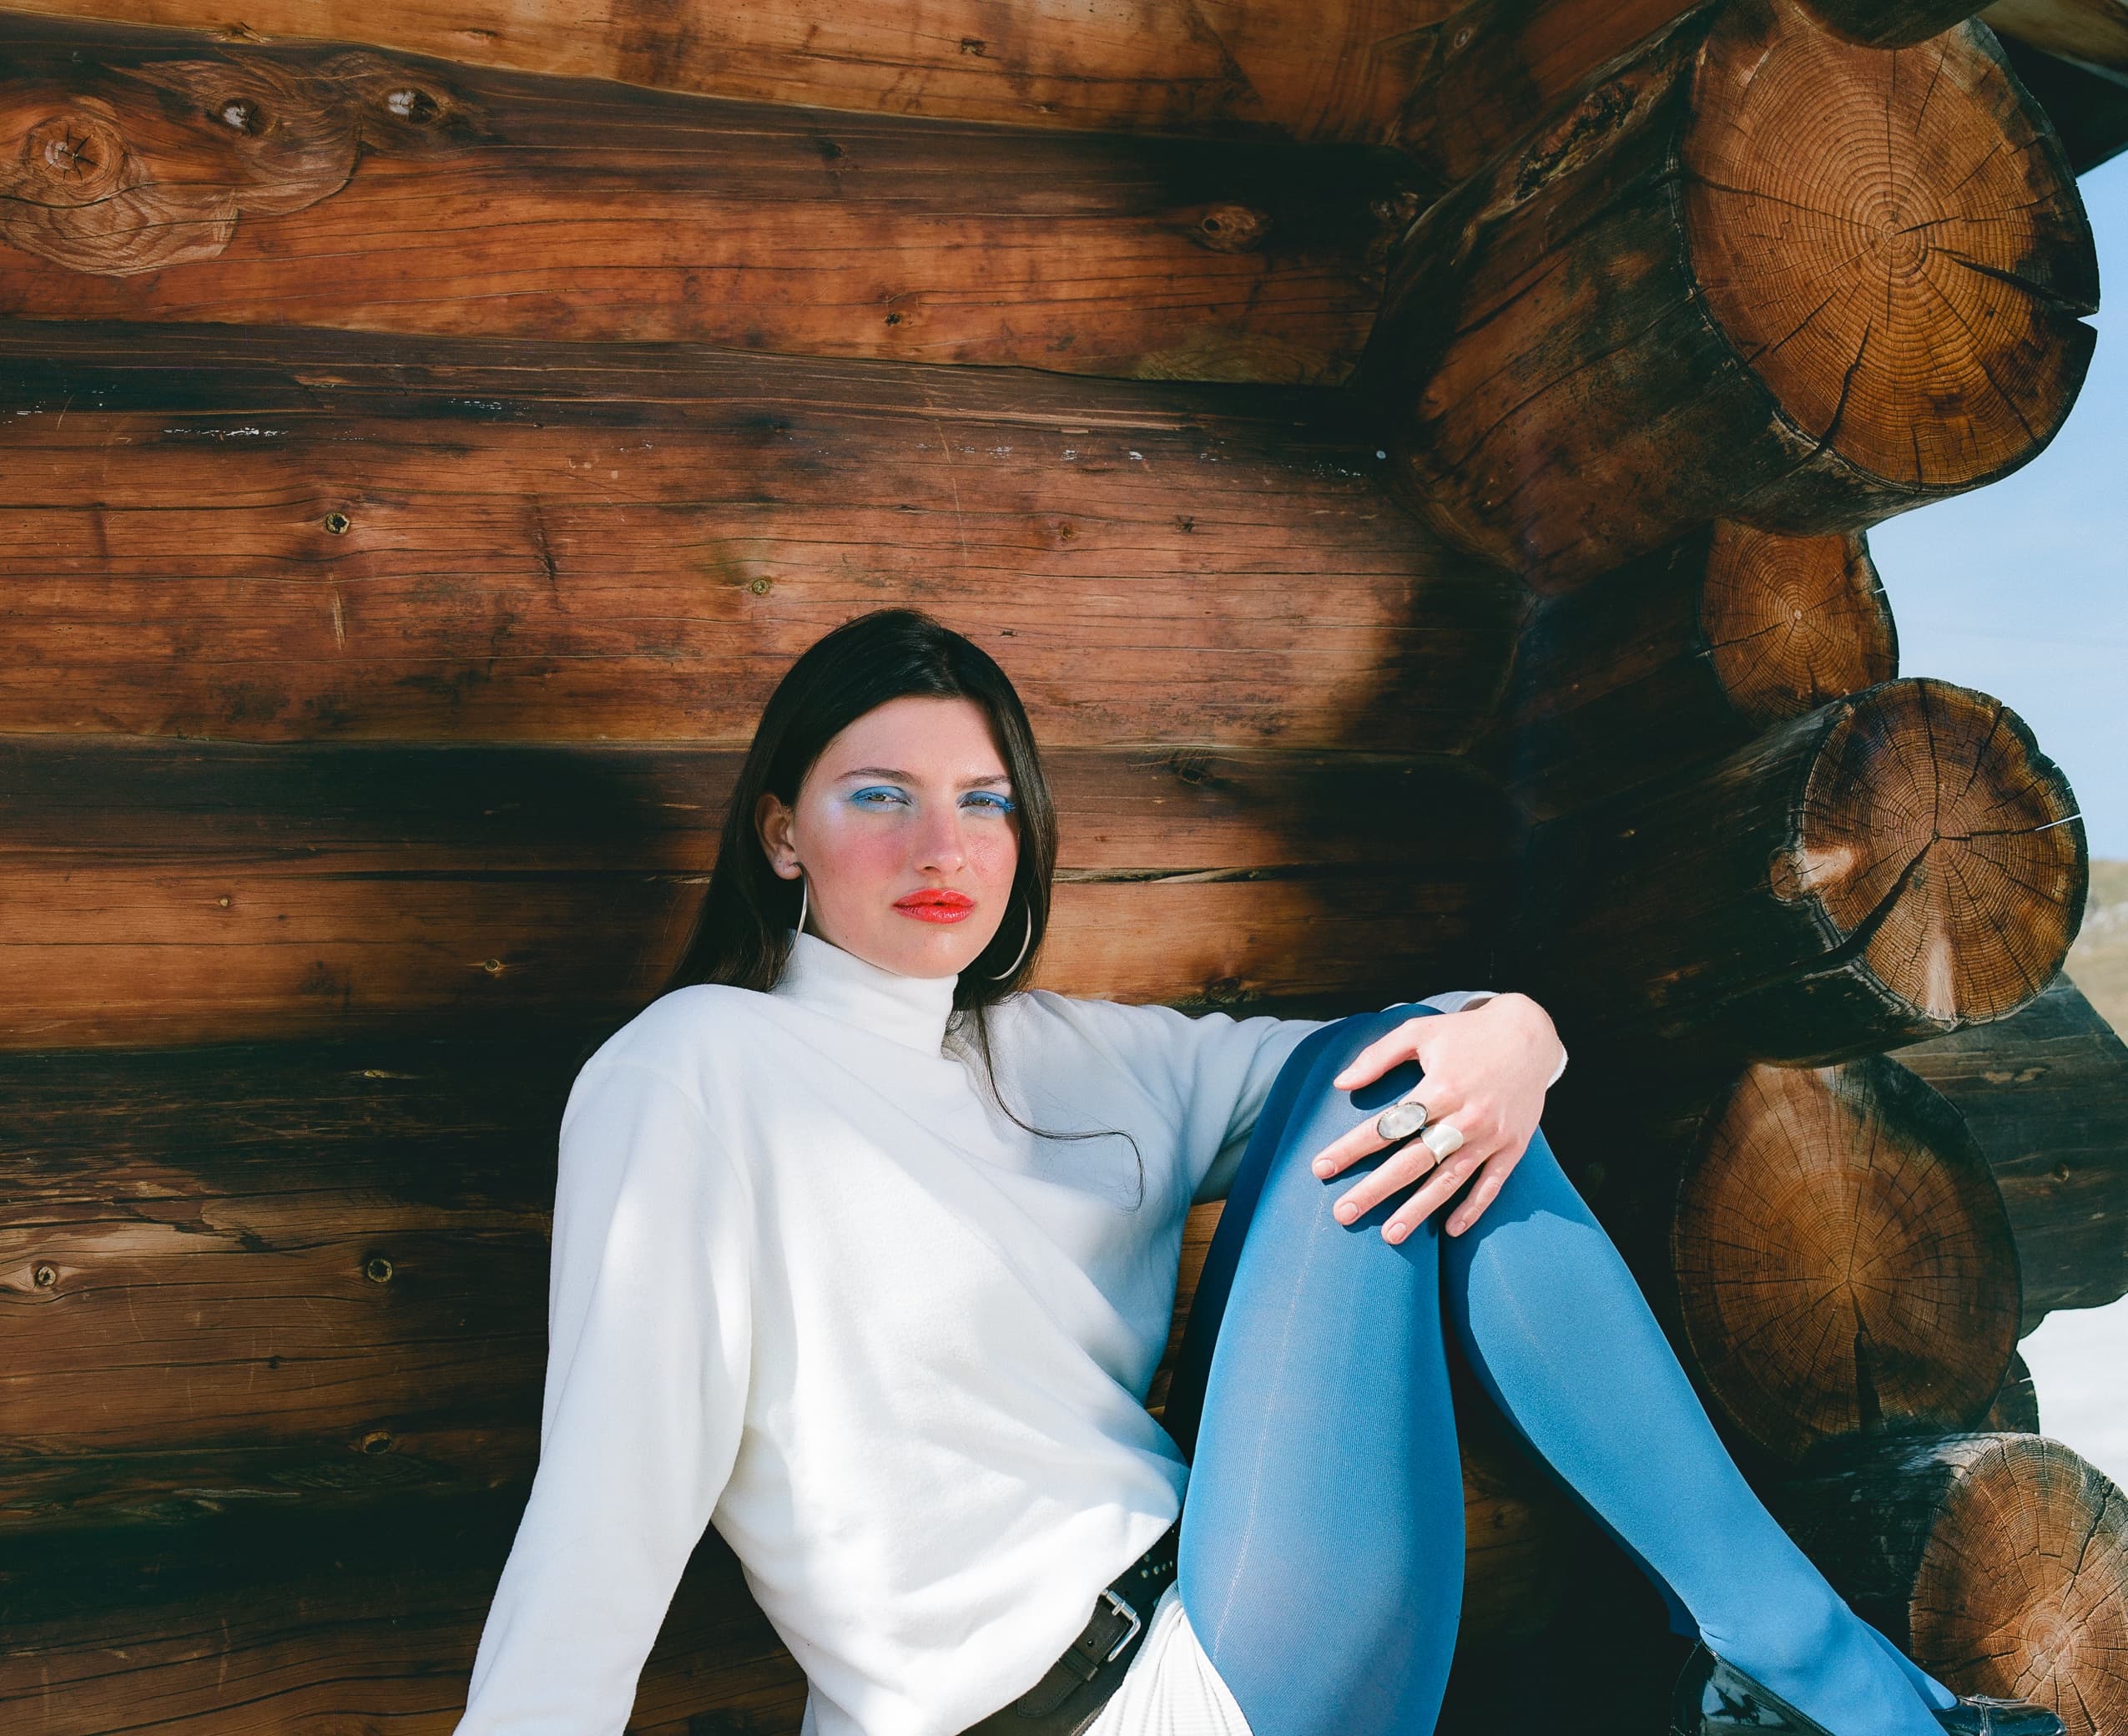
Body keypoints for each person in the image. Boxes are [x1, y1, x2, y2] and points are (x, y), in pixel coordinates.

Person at [452, 609, 2059, 1736]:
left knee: (1425, 1070)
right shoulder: (694, 1075)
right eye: (879, 796)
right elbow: (610, 1496)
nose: (940, 846)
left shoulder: (1054, 1056)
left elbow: (1386, 1066)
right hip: (1098, 1707)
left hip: (1251, 1618)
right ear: (781, 834)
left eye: (984, 801)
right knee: (1411, 1071)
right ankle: (1822, 1682)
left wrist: (1528, 1034)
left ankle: (1803, 1670)